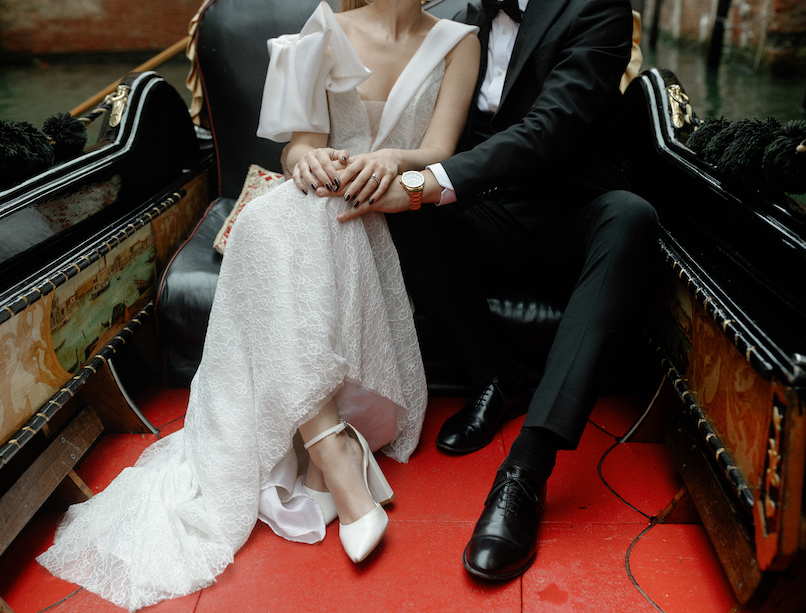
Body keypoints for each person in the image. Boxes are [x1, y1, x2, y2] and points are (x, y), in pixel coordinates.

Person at [36, 1, 479, 609]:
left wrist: (387, 162)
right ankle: (332, 452)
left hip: (394, 216)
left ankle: (334, 456)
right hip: (318, 208)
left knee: (284, 222)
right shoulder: (320, 32)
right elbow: (297, 154)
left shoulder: (459, 42)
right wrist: (314, 161)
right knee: (276, 219)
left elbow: (440, 149)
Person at [336, 0, 657, 581]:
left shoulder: (599, 8)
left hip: (572, 210)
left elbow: (552, 127)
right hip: (487, 209)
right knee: (400, 204)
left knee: (632, 217)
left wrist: (428, 183)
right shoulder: (463, 18)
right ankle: (495, 373)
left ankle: (525, 473)